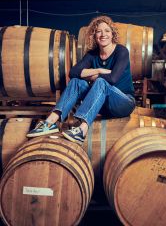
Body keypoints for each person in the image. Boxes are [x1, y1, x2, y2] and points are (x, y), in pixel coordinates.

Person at [27, 15, 136, 144]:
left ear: (113, 34)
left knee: (101, 82)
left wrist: (90, 75)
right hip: (102, 104)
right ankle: (50, 122)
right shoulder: (92, 54)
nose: (103, 34)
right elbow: (73, 72)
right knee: (77, 82)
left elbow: (112, 79)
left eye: (107, 31)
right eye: (98, 31)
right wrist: (99, 71)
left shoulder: (121, 51)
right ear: (94, 36)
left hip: (123, 102)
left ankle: (81, 130)